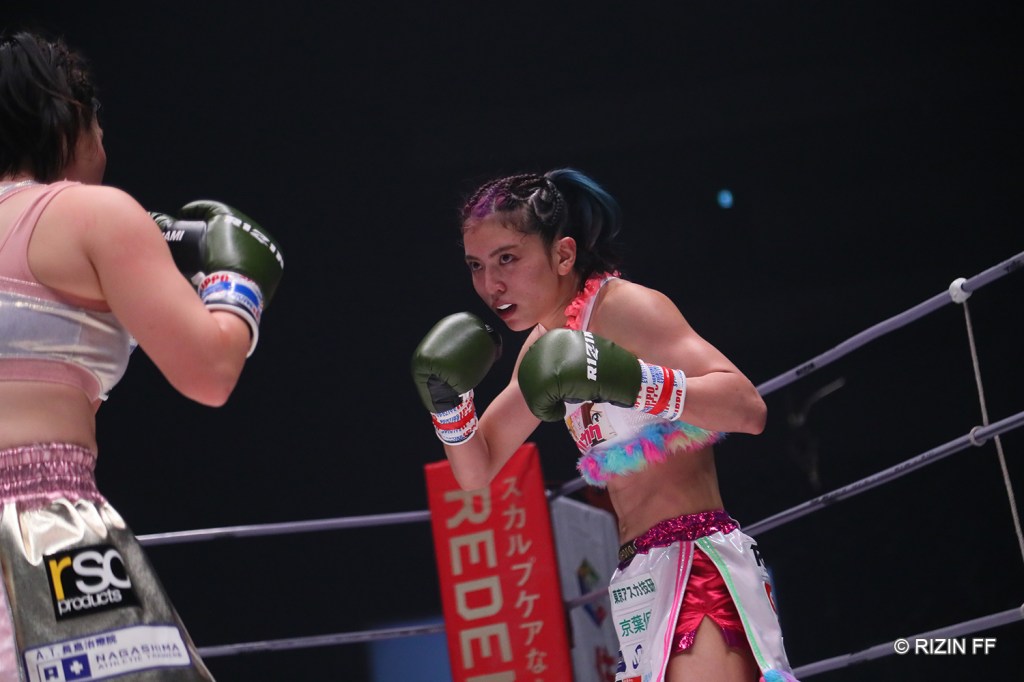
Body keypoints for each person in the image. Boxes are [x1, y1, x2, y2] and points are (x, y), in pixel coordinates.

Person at [412, 169, 798, 681]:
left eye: (507, 258)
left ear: (563, 254)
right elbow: (476, 471)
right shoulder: (544, 348)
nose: (491, 285)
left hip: (696, 562)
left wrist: (634, 381)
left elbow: (747, 408)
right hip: (637, 577)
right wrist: (448, 405)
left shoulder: (625, 308)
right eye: (476, 266)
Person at [0, 31, 283, 681]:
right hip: (43, 527)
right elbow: (210, 371)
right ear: (69, 116)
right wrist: (237, 287)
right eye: (96, 118)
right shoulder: (94, 215)